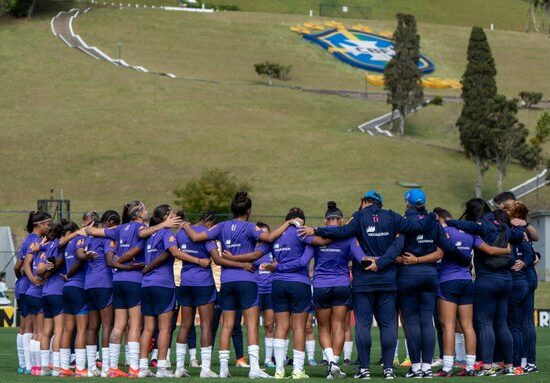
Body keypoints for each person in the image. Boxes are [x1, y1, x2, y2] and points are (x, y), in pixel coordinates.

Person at [298, 190, 434, 380]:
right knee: (388, 325)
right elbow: (416, 227)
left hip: (363, 281)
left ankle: (364, 370)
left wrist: (317, 230)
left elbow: (342, 231)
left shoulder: (359, 217)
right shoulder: (393, 216)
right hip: (387, 280)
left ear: (364, 202)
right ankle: (388, 369)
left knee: (363, 325)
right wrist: (432, 215)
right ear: (380, 203)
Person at [181, 191, 297, 379]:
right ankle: (254, 369)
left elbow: (196, 237)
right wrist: (288, 223)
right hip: (247, 280)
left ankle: (223, 369)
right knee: (251, 324)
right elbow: (269, 238)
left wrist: (186, 225)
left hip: (227, 281)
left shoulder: (221, 226)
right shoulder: (251, 228)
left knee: (226, 325)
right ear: (248, 210)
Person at [269, 201, 365, 379]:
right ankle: (332, 366)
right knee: (339, 326)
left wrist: (277, 267)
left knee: (322, 327)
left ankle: (282, 369)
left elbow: (303, 259)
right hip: (342, 284)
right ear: (341, 220)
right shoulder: (348, 237)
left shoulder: (313, 234)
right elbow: (360, 259)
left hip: (320, 285)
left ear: (325, 220)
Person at [85, 201, 180, 377]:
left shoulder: (119, 228)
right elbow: (140, 239)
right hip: (135, 279)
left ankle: (110, 367)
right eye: (144, 208)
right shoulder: (142, 228)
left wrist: (115, 263)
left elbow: (91, 231)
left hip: (117, 280)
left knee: (118, 325)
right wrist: (163, 225)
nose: (147, 211)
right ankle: (135, 367)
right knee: (135, 324)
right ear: (138, 212)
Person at [445, 198, 524, 376]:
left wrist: (448, 222)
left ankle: (487, 367)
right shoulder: (507, 229)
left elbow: (465, 225)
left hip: (487, 279)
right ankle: (509, 365)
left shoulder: (484, 226)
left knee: (484, 323)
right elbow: (520, 235)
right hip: (506, 280)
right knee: (502, 323)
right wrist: (518, 226)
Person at [396, 189, 469, 379]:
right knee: (427, 322)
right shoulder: (434, 223)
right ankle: (427, 367)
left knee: (411, 322)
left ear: (408, 203)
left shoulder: (404, 222)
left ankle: (416, 368)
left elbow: (395, 247)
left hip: (408, 275)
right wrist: (464, 260)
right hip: (430, 275)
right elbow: (447, 248)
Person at [432, 207, 510, 377]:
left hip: (448, 281)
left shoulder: (445, 232)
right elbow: (489, 250)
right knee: (468, 326)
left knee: (448, 326)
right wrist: (507, 250)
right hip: (467, 281)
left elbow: (437, 254)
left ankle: (446, 368)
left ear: (441, 220)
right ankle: (469, 367)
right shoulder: (470, 233)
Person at [175, 210, 219, 378]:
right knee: (206, 325)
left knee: (185, 324)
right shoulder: (206, 234)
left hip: (185, 282)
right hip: (203, 283)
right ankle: (205, 369)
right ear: (211, 222)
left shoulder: (181, 232)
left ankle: (179, 367)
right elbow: (215, 257)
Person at [83, 210, 120, 377]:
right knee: (107, 325)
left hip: (89, 283)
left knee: (92, 327)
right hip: (104, 283)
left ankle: (91, 367)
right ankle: (106, 368)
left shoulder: (89, 239)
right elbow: (111, 260)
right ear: (111, 223)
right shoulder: (107, 238)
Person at [504, 201, 536, 375]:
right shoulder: (521, 230)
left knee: (521, 322)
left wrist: (526, 262)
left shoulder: (517, 230)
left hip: (522, 278)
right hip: (524, 276)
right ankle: (525, 361)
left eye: (506, 209)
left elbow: (533, 250)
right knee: (522, 322)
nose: (502, 212)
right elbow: (534, 251)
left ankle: (523, 361)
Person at [20, 211, 52, 376]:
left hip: (29, 291)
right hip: (37, 291)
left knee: (30, 330)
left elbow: (24, 263)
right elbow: (35, 265)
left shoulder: (28, 240)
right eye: (47, 224)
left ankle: (29, 366)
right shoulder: (39, 242)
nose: (49, 227)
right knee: (40, 331)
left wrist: (31, 278)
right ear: (39, 224)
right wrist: (35, 278)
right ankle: (38, 367)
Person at [60, 219, 90, 377]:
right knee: (82, 329)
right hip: (78, 286)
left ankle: (64, 368)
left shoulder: (67, 245)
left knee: (67, 329)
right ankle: (79, 368)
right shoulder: (79, 239)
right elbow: (80, 258)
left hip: (67, 288)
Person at [254, 222, 276, 369]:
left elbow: (278, 263)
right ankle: (254, 361)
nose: (262, 235)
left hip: (270, 291)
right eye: (260, 232)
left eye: (265, 232)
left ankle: (268, 359)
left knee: (269, 325)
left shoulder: (272, 248)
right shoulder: (251, 248)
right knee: (253, 326)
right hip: (255, 291)